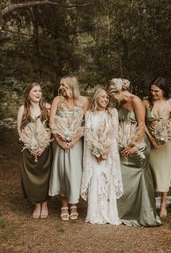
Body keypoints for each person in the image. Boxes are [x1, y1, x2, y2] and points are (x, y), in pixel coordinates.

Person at [107, 78, 161, 227]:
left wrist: (135, 145)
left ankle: (143, 214)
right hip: (123, 143)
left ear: (116, 91)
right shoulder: (119, 104)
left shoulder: (135, 100)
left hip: (139, 144)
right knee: (123, 176)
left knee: (140, 176)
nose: (111, 98)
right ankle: (124, 213)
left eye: (111, 95)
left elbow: (142, 124)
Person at [49, 75, 89, 221]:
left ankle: (74, 204)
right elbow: (52, 122)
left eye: (64, 85)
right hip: (60, 142)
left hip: (76, 143)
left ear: (72, 86)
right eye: (60, 85)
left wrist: (75, 140)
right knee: (63, 171)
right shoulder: (57, 101)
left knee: (75, 172)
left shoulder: (84, 101)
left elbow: (86, 123)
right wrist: (60, 140)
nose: (61, 88)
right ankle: (64, 205)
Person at [81, 88, 123, 225]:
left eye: (107, 98)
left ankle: (109, 213)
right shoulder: (89, 114)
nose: (105, 100)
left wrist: (105, 152)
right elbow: (88, 135)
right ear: (96, 99)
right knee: (96, 180)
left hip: (108, 154)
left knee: (107, 180)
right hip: (93, 153)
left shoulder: (112, 113)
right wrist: (96, 151)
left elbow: (114, 135)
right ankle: (95, 214)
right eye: (102, 97)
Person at [143, 77, 171, 218]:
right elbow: (142, 123)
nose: (153, 94)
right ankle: (149, 203)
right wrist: (151, 139)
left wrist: (168, 135)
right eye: (152, 90)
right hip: (150, 141)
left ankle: (163, 205)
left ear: (164, 90)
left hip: (165, 143)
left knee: (164, 171)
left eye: (156, 91)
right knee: (150, 172)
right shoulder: (146, 102)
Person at [17, 82, 52, 219]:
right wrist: (28, 144)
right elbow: (19, 128)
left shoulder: (46, 108)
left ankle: (45, 204)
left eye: (40, 91)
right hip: (29, 149)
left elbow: (50, 128)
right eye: (35, 91)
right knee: (31, 177)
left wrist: (43, 145)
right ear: (28, 94)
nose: (38, 93)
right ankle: (37, 204)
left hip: (45, 149)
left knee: (45, 176)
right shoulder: (23, 109)